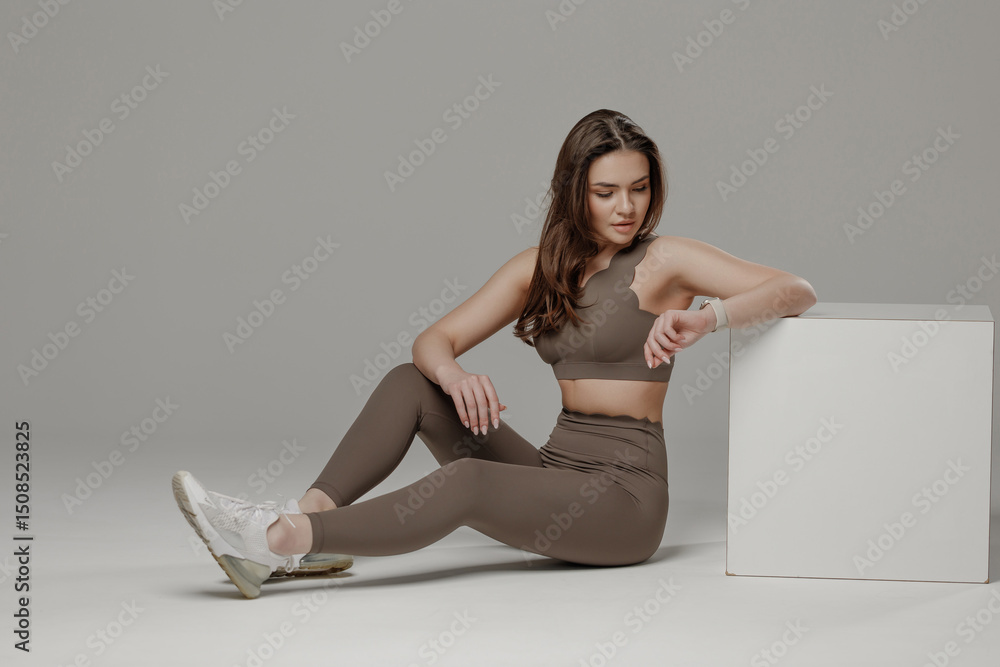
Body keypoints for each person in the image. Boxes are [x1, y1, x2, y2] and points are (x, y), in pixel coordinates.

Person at [173, 109, 818, 599]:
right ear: (575, 192)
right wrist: (454, 375)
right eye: (606, 192)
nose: (627, 207)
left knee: (469, 481)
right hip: (553, 471)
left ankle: (277, 540)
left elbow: (796, 290)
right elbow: (433, 342)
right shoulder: (540, 268)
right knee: (411, 382)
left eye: (640, 188)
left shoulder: (666, 260)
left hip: (624, 498)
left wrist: (707, 318)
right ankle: (312, 517)